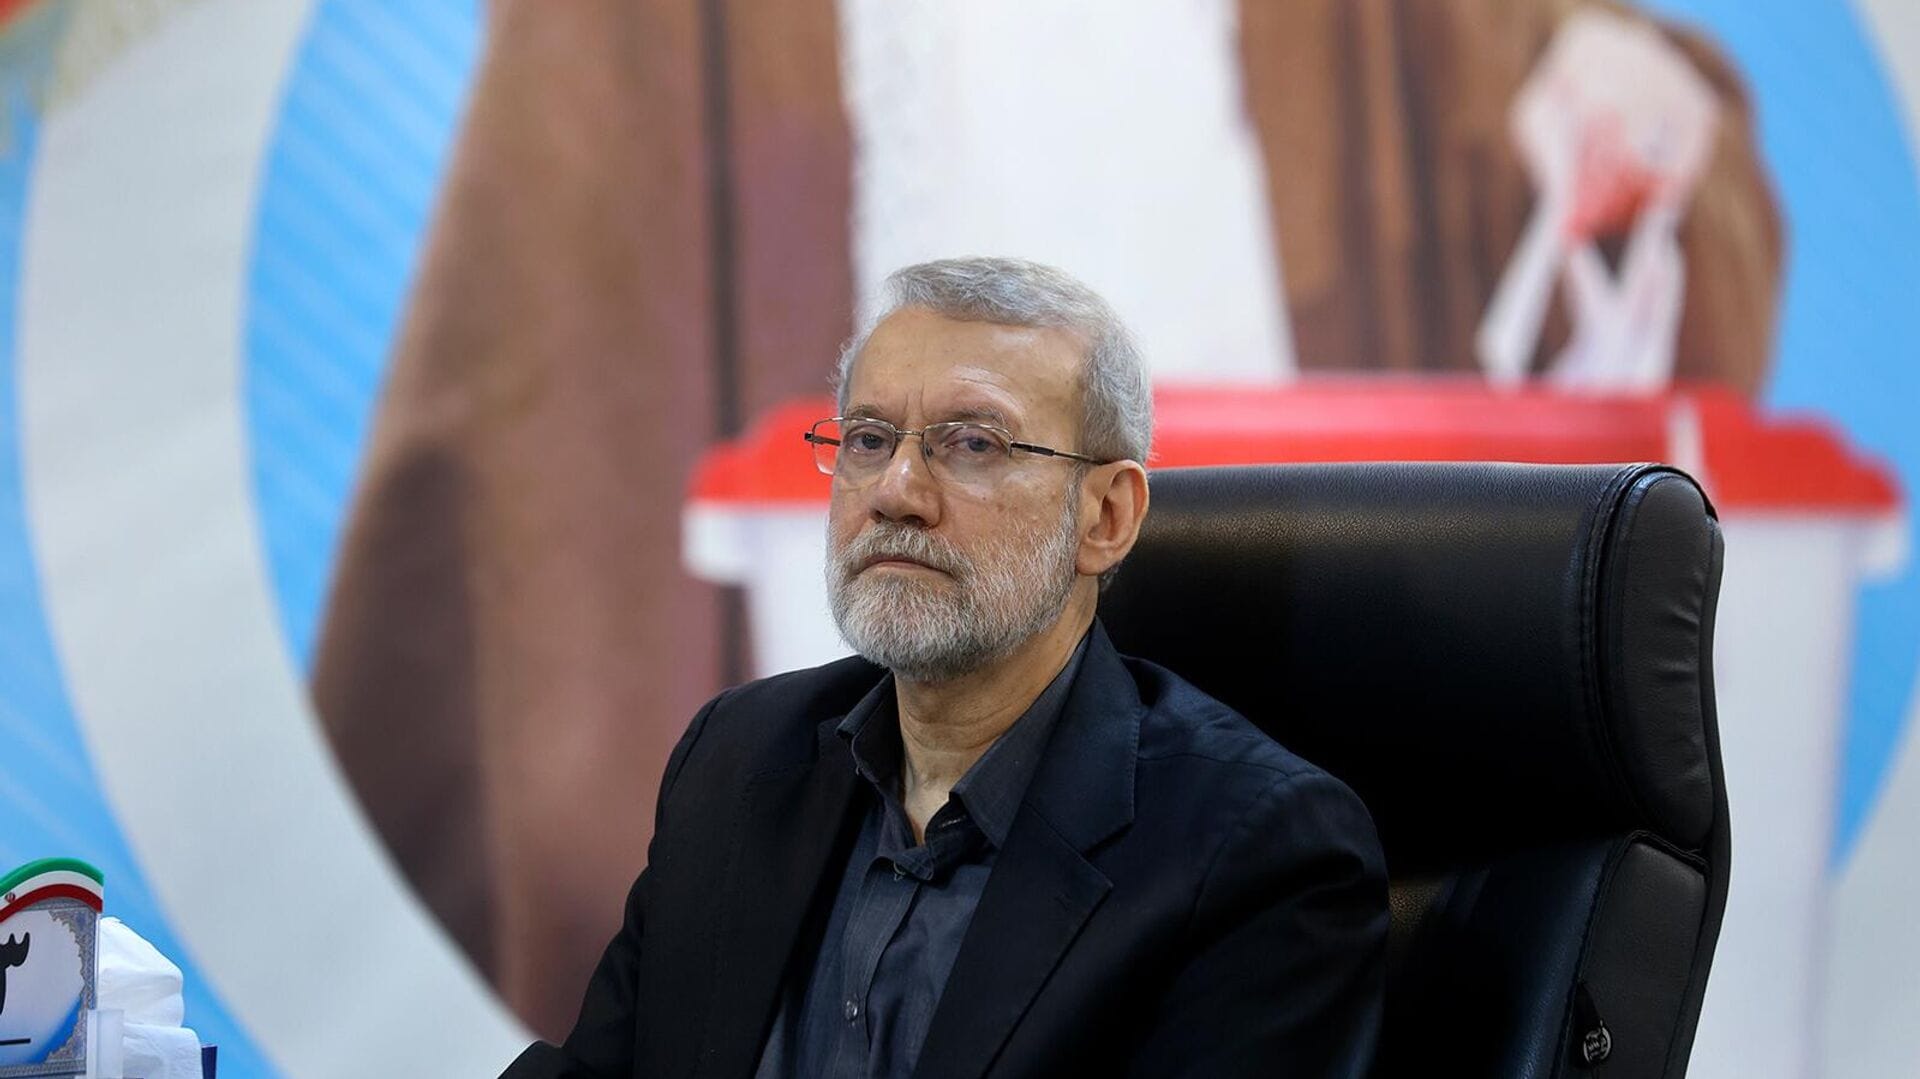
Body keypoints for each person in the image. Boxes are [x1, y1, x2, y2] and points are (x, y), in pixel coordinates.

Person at [501, 257, 1388, 1078]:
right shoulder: (737, 760)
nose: (896, 491)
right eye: (868, 438)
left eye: (973, 444)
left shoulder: (1254, 854)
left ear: (1106, 517)